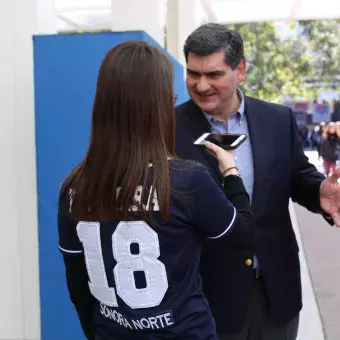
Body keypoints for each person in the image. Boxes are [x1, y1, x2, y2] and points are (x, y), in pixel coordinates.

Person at [58, 41, 255, 340]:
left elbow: (77, 286)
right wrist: (230, 171)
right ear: (158, 106)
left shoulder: (74, 188)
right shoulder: (186, 181)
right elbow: (242, 234)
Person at [175, 23, 340, 340]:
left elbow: (297, 175)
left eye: (213, 75)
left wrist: (320, 190)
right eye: (193, 74)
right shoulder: (167, 128)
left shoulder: (277, 119)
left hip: (276, 294)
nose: (201, 85)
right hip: (206, 299)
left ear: (241, 69)